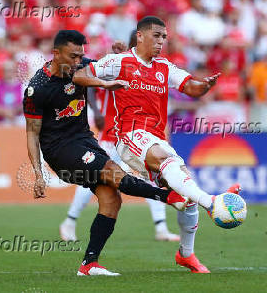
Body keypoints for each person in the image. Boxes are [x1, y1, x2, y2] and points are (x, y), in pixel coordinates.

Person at [73, 16, 241, 273]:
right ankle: (212, 203)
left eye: (164, 37)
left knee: (186, 191)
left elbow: (192, 89)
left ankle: (186, 254)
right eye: (156, 36)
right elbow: (80, 75)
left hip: (155, 137)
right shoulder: (119, 61)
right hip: (128, 135)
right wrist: (105, 83)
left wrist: (206, 86)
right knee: (168, 163)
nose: (161, 41)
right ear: (140, 36)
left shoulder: (165, 68)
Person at [23, 30, 187, 276]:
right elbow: (32, 133)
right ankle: (170, 198)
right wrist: (38, 174)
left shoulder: (82, 66)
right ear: (55, 54)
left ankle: (89, 265)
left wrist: (118, 54)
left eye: (81, 55)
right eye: (72, 56)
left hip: (85, 141)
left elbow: (108, 65)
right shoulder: (38, 88)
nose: (78, 61)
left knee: (111, 200)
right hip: (59, 150)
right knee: (113, 172)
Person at [60, 30, 179, 242]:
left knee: (150, 177)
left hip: (139, 135)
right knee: (94, 176)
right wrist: (95, 111)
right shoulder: (119, 62)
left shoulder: (152, 69)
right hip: (112, 133)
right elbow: (89, 81)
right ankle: (69, 220)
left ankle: (161, 227)